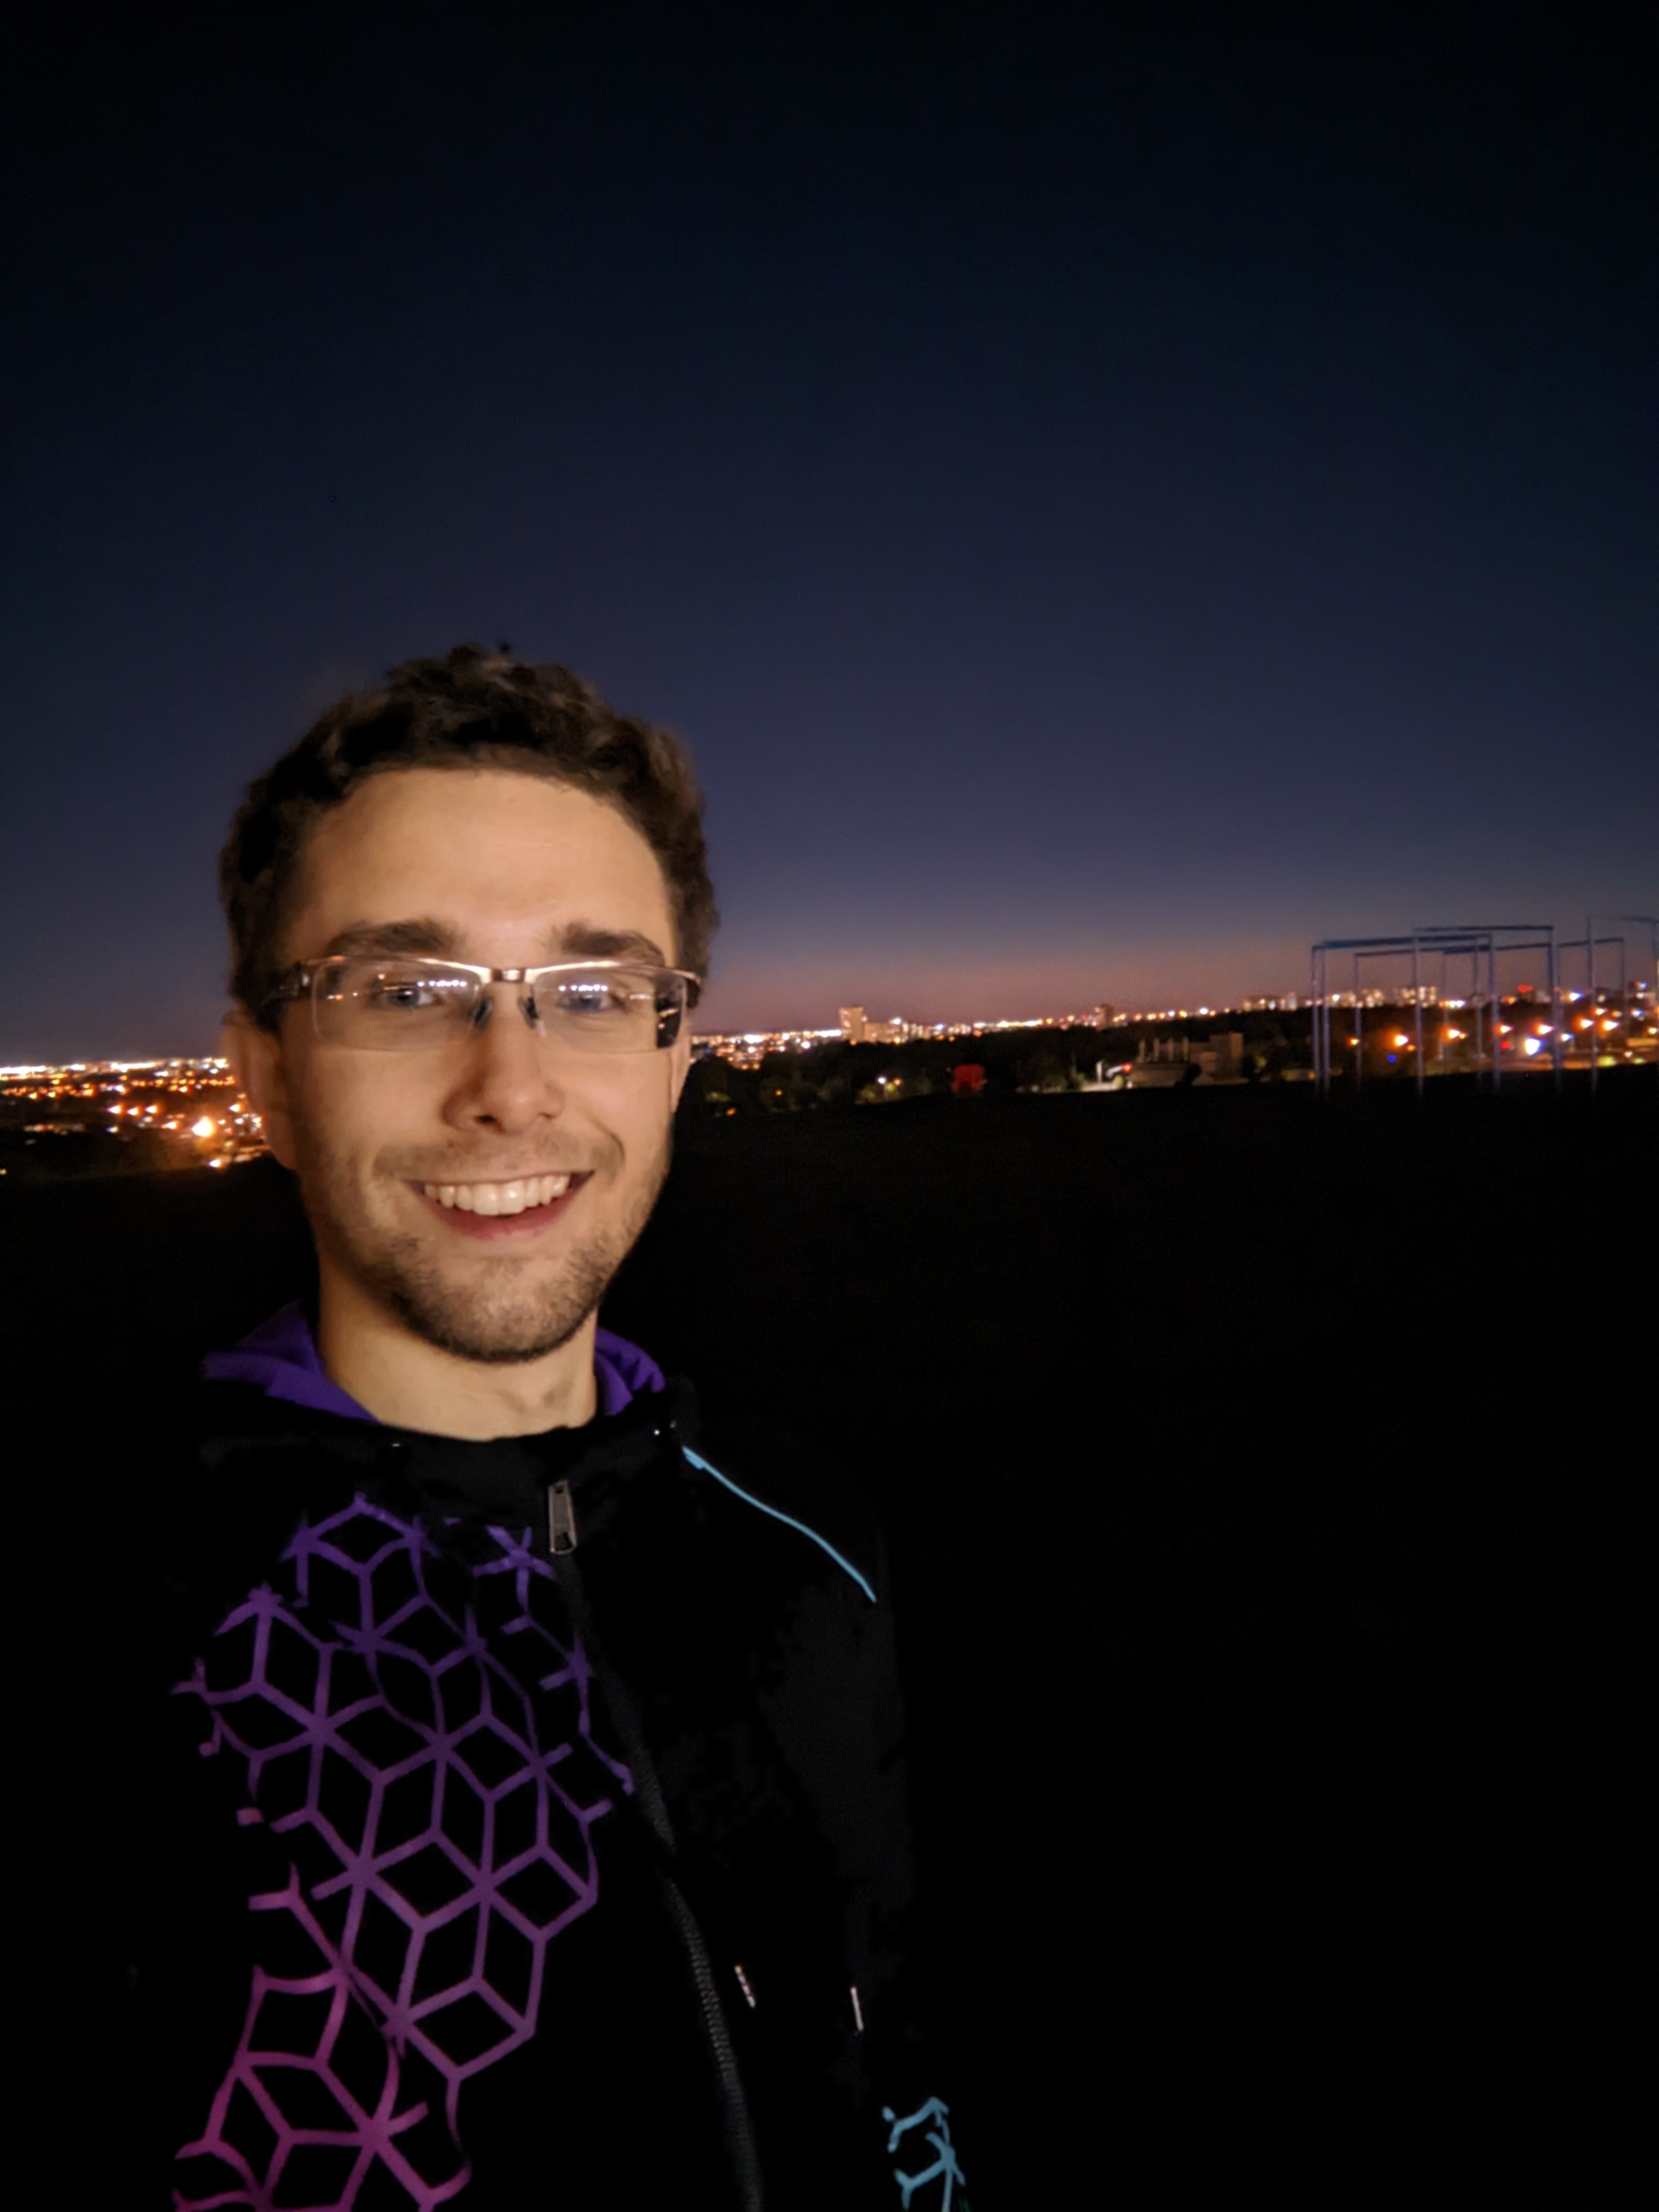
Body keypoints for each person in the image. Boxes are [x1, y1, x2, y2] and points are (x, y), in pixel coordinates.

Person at [111, 647, 964, 2209]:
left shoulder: (809, 1537)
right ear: (268, 1079)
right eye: (403, 991)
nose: (510, 1087)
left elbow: (892, 2036)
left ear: (674, 1058)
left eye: (591, 995)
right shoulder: (87, 1613)